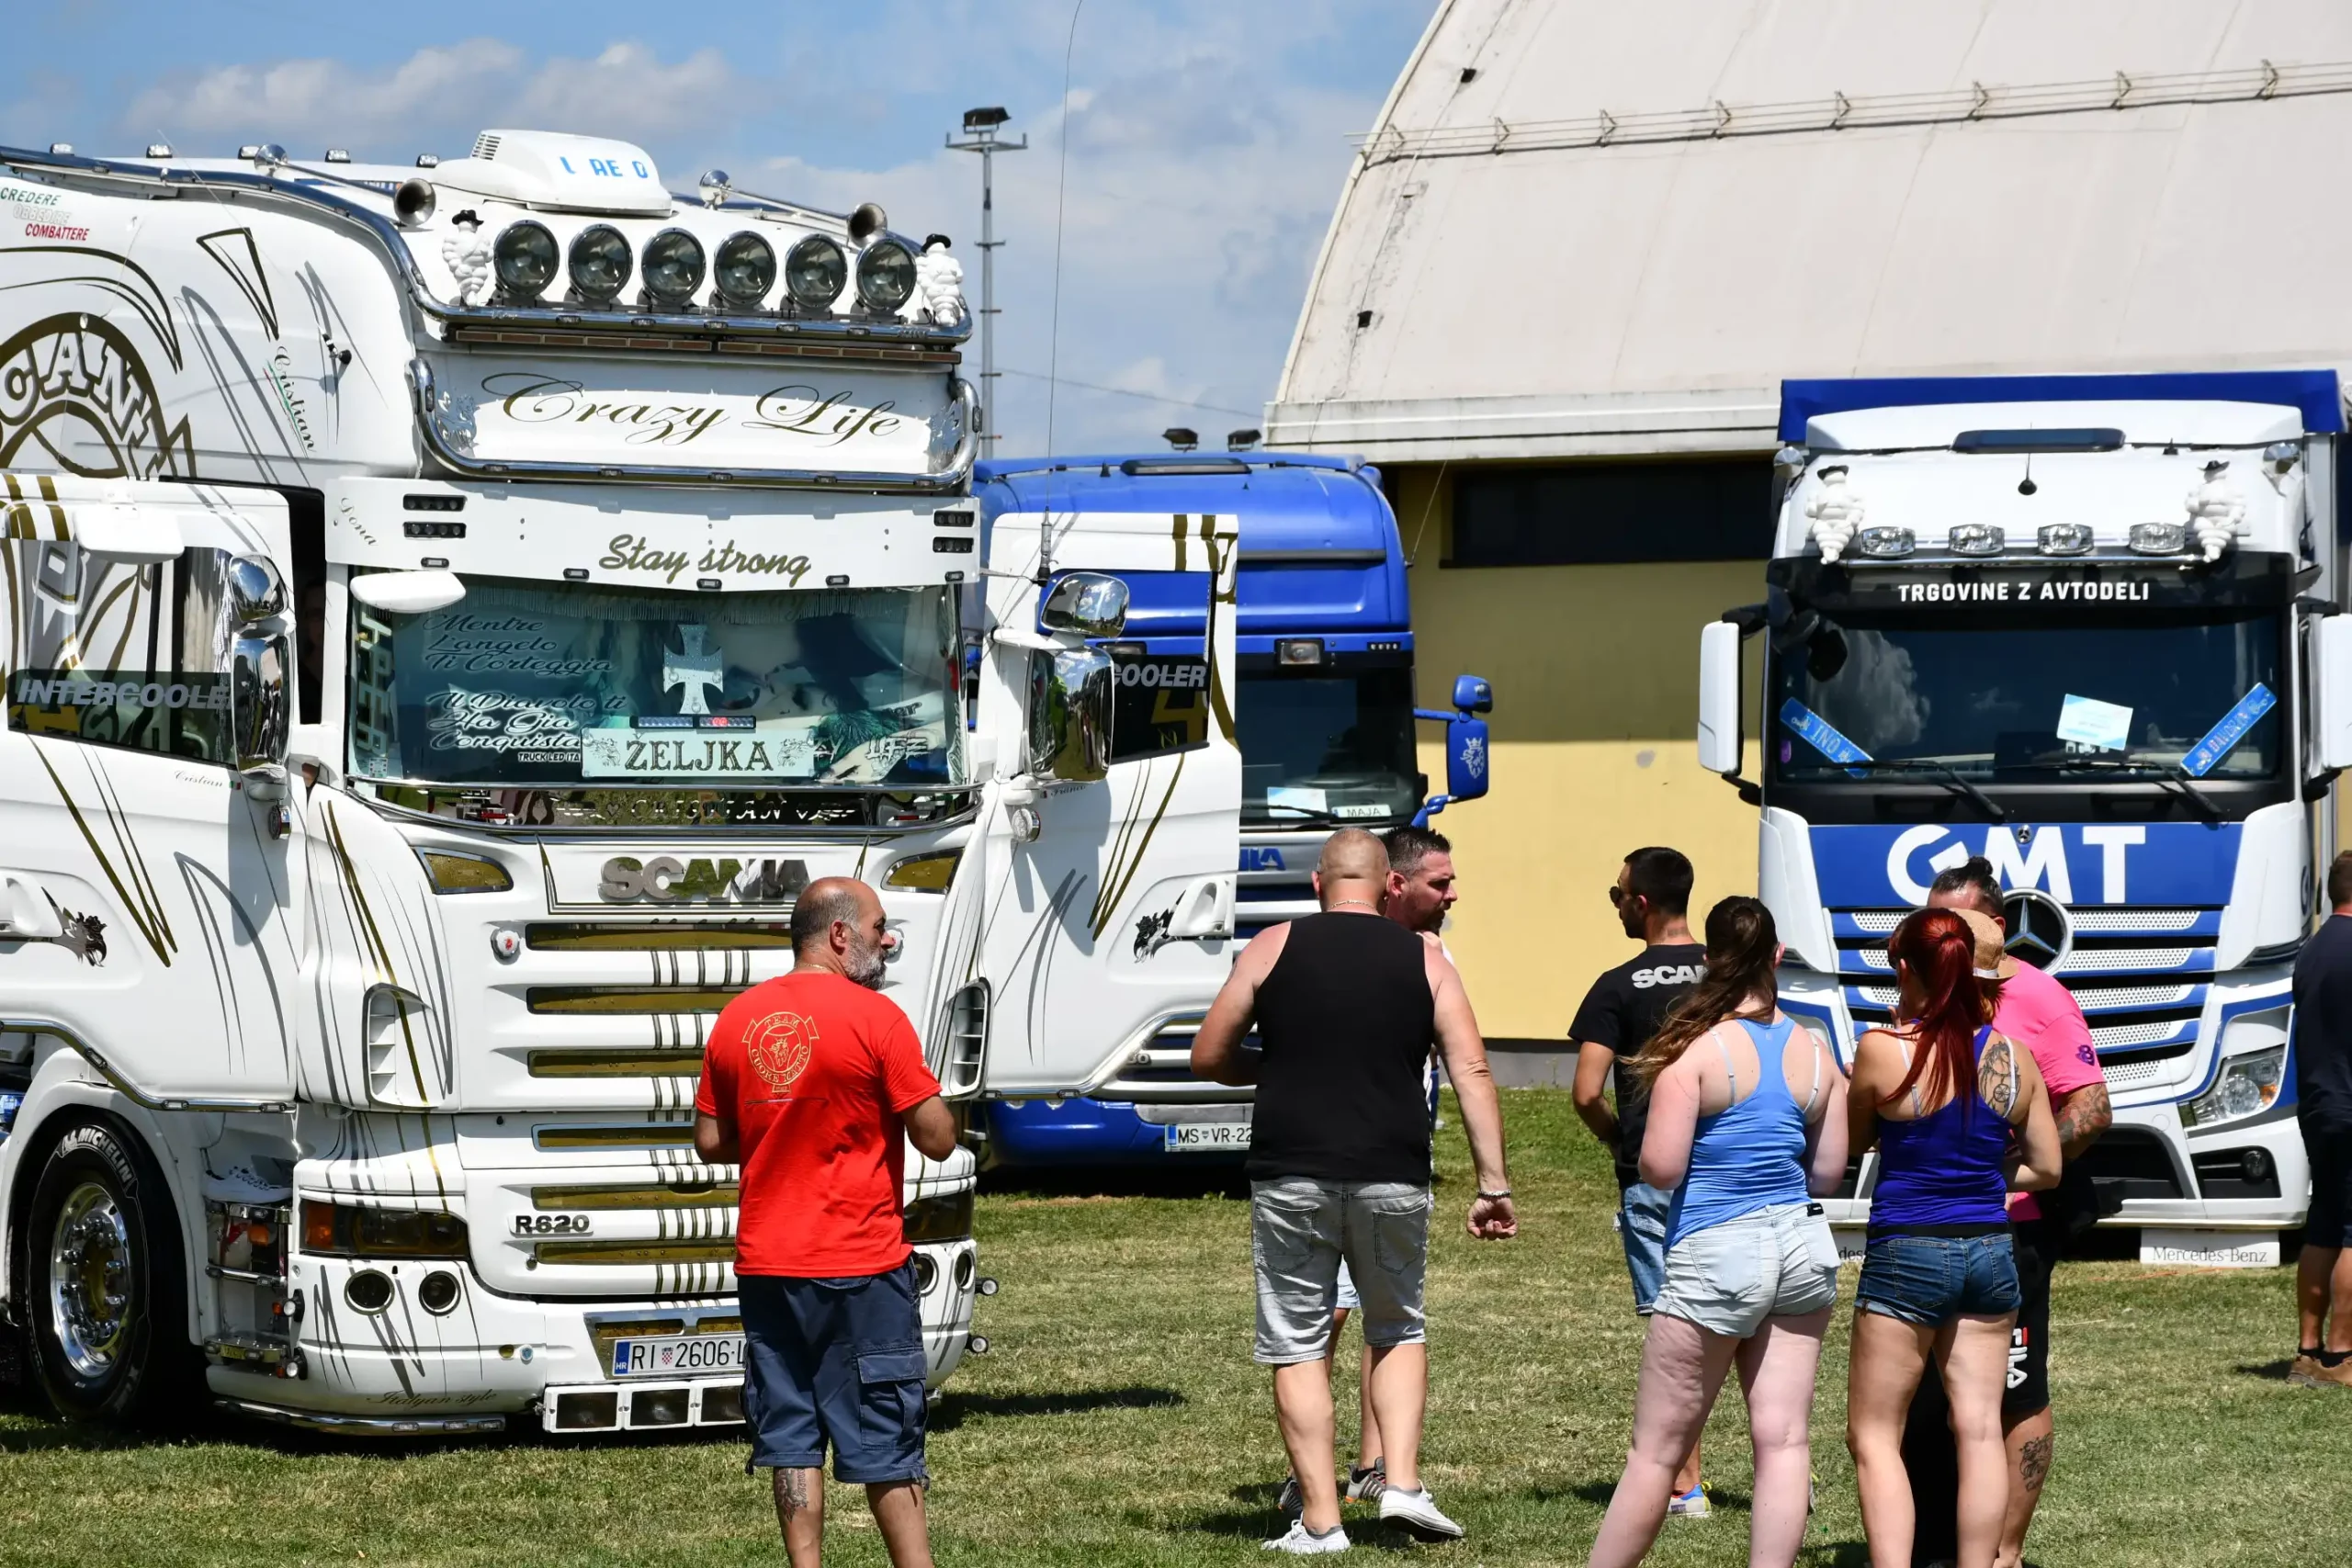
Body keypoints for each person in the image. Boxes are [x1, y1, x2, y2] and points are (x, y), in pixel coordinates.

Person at [1193, 829, 1517, 1553]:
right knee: (1396, 1323)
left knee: (1300, 1342)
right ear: (1386, 887)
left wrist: (1276, 1065)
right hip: (1393, 1169)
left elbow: (1208, 1052)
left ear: (1318, 883)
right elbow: (1471, 1070)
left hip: (1291, 1170)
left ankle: (1320, 1519)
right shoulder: (1426, 957)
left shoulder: (1274, 945)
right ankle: (1399, 1481)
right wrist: (1492, 1182)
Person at [693, 877, 960, 1568]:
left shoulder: (737, 1018)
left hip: (768, 1263)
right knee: (884, 1434)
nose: (886, 938)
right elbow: (936, 1137)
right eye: (877, 927)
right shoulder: (878, 1018)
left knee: (790, 1433)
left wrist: (782, 1120)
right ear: (839, 935)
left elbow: (712, 1139)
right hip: (860, 1265)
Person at [1586, 897, 1849, 1568]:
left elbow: (1661, 1167)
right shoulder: (1818, 1057)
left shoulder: (1697, 1054)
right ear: (1779, 957)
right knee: (1785, 1440)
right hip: (1800, 1248)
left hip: (1717, 1249)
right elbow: (1826, 1172)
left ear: (1709, 959)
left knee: (1656, 1451)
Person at [1902, 860, 2113, 1568]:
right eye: (1935, 924)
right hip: (1926, 1230)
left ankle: (2004, 1552)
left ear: (1995, 923)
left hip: (2013, 1229)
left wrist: (2008, 1169)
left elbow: (2090, 1105)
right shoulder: (1921, 992)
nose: (1942, 938)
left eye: (1955, 924)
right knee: (1929, 1399)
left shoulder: (2040, 996)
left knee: (2016, 1390)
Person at [1846, 908, 2063, 1568]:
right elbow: (2049, 1167)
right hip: (1992, 1252)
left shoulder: (1884, 1048)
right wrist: (1989, 1176)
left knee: (1876, 1434)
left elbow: (1855, 1143)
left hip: (1907, 1247)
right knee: (1977, 1427)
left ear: (1906, 967)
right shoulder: (2012, 1056)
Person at [1281, 825, 1463, 1520]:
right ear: (1395, 882)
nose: (1451, 893)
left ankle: (1371, 1466)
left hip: (1390, 1163)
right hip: (1340, 1166)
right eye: (1438, 882)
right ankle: (1319, 1477)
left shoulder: (1430, 952)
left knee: (1378, 1317)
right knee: (1332, 1316)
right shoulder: (1360, 953)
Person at [1571, 847, 1712, 1514]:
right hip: (1729, 1171)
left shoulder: (1616, 985)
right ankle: (1783, 1474)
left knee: (1671, 1331)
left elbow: (1585, 1092)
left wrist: (1622, 1142)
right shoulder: (1728, 973)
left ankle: (1685, 1485)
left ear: (1642, 903)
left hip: (1652, 1175)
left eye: (1616, 893)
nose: (1617, 904)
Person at [2290, 851, 2352, 1389]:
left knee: (2326, 1222)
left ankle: (2307, 1350)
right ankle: (2340, 1356)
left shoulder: (2313, 950)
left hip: (2318, 1104)